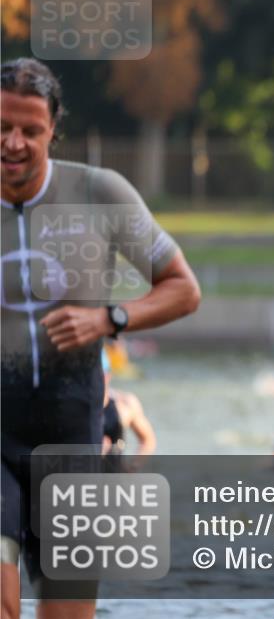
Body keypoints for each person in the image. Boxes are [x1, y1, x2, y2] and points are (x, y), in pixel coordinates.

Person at [1, 58, 200, 619]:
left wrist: (108, 319)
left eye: (30, 130)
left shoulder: (98, 193)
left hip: (73, 441)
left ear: (52, 132)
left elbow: (183, 289)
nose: (13, 142)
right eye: (1, 127)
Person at [100, 350, 156, 458]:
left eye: (99, 375)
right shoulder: (71, 405)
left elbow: (148, 440)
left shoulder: (124, 404)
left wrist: (133, 466)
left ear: (108, 375)